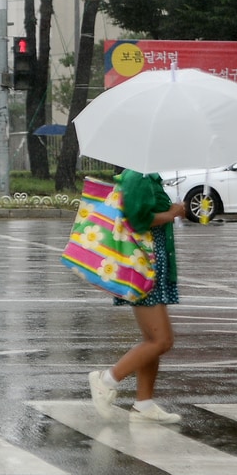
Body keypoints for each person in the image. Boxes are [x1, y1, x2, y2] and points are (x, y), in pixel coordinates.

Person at [88, 169, 189, 424]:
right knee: (162, 341)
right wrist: (172, 213)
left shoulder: (148, 177)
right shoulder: (138, 177)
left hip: (153, 269)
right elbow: (137, 219)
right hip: (145, 269)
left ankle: (144, 404)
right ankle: (106, 380)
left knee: (152, 341)